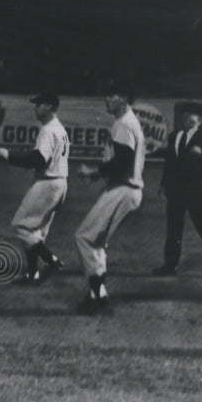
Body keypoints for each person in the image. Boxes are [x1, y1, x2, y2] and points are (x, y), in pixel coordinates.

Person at [74, 82, 145, 313]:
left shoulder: (124, 124)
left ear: (123, 99)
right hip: (127, 190)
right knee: (96, 242)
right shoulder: (126, 122)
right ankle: (99, 294)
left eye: (111, 94)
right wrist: (99, 176)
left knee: (84, 237)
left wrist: (93, 172)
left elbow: (123, 162)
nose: (106, 99)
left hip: (123, 189)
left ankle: (97, 297)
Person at [0, 91, 69, 282]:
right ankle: (33, 273)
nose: (35, 107)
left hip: (48, 184)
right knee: (36, 232)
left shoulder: (48, 130)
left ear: (50, 107)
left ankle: (51, 260)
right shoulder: (59, 128)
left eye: (39, 104)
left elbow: (37, 159)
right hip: (60, 184)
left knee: (21, 226)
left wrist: (9, 156)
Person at [152, 102, 202, 277]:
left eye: (190, 115)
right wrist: (164, 184)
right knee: (173, 230)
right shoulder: (174, 136)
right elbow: (169, 163)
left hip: (197, 191)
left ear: (200, 119)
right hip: (176, 190)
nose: (186, 118)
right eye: (183, 116)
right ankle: (170, 266)